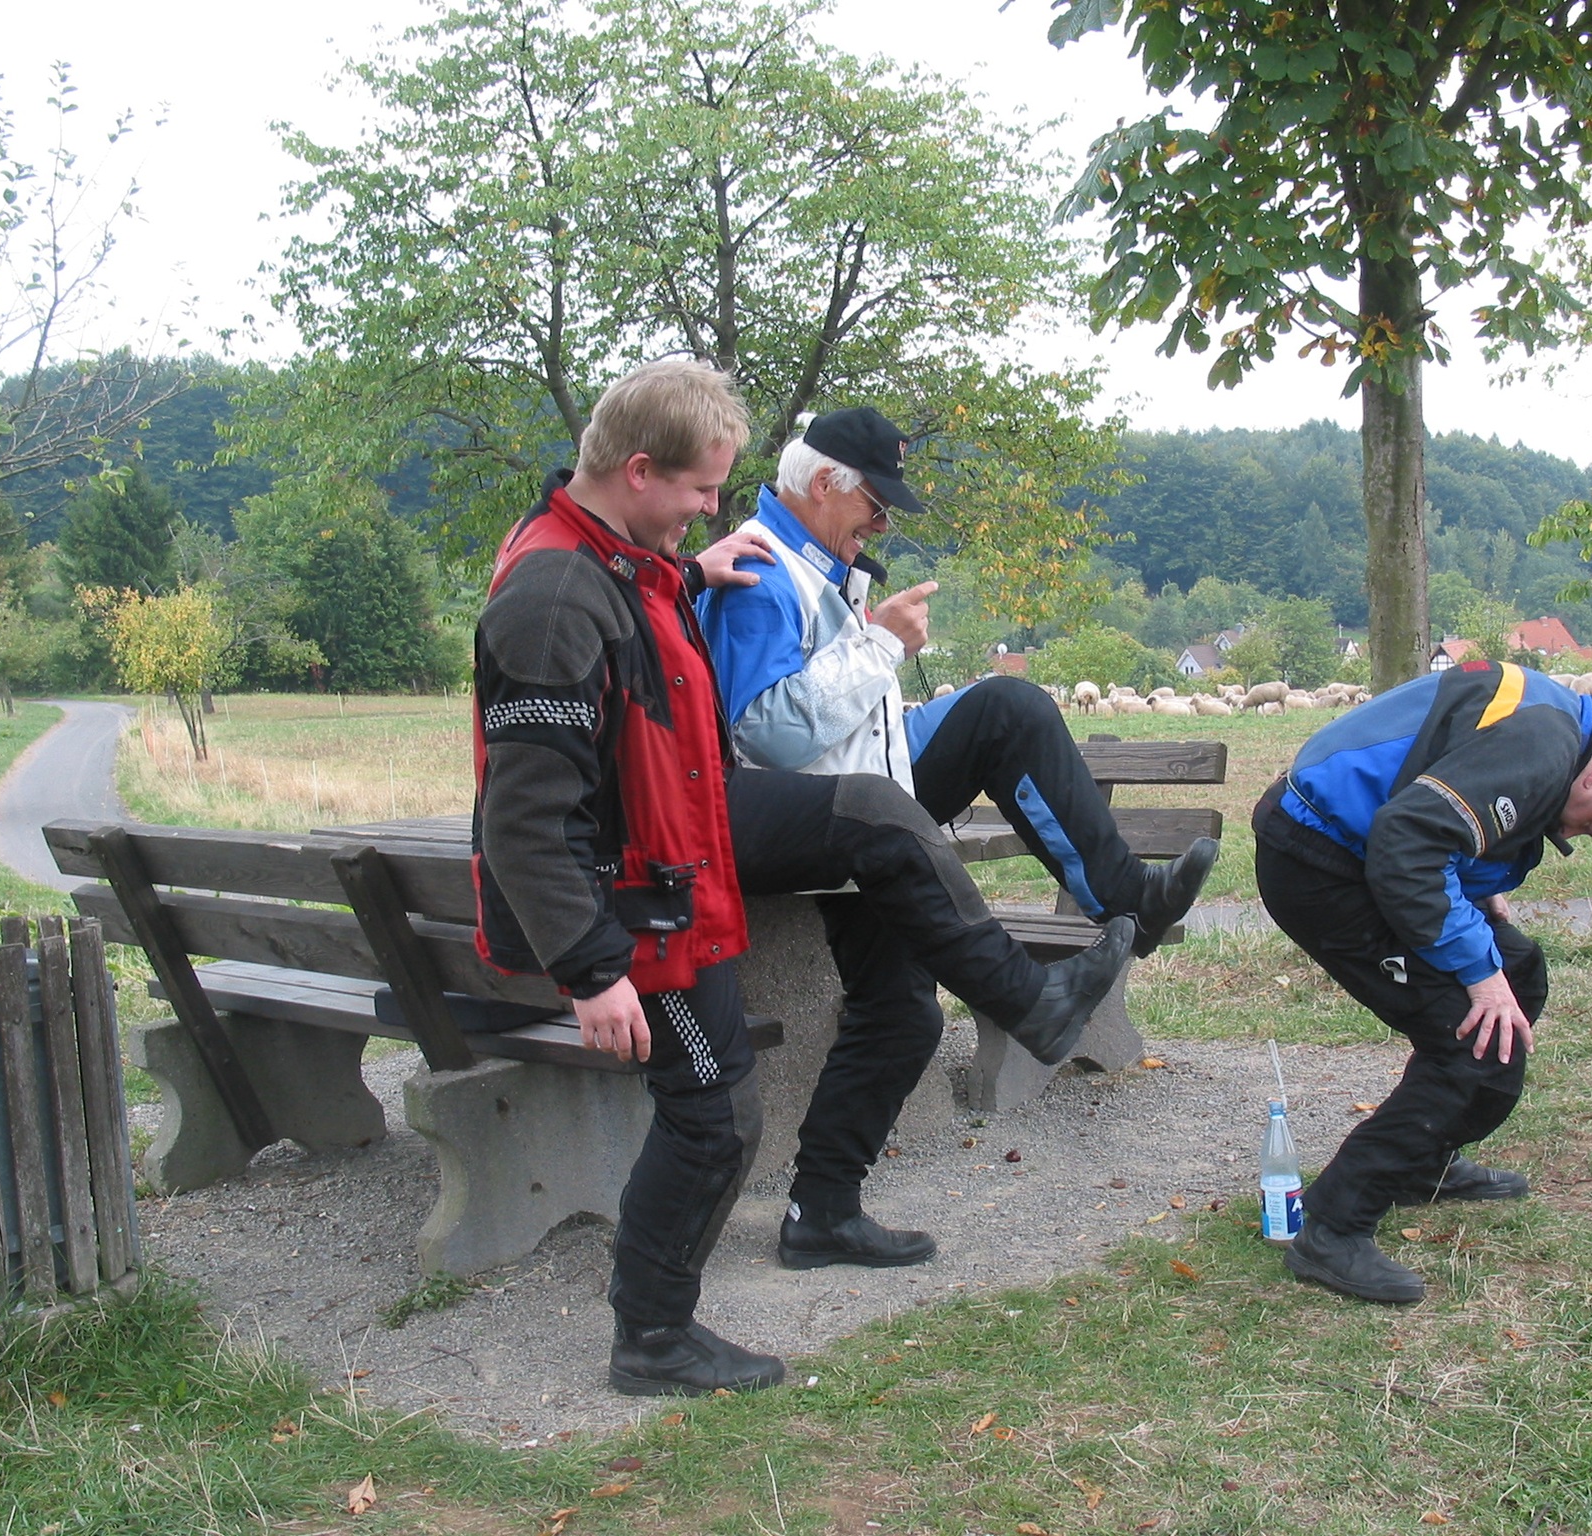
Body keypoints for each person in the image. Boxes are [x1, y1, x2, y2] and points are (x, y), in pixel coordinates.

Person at [472, 362, 1136, 1395]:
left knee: (770, 1060)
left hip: (669, 869)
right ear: (638, 470)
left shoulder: (613, 562)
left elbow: (628, 641)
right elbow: (521, 818)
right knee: (715, 1114)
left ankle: (793, 1231)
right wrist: (590, 968)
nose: (712, 512)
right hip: (630, 908)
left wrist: (692, 577)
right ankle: (651, 1337)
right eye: (702, 491)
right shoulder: (554, 595)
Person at [698, 406, 1218, 1270]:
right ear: (823, 484)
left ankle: (1131, 902)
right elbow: (769, 737)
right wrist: (879, 646)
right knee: (903, 1009)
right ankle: (828, 1203)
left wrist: (880, 662)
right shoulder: (758, 569)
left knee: (1007, 708)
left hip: (866, 795)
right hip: (812, 819)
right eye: (876, 504)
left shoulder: (823, 563)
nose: (883, 524)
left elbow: (837, 718)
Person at [1251, 660, 1592, 1304]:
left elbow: (1444, 790)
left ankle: (1424, 1162)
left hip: (1361, 852)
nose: (1570, 834)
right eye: (1588, 823)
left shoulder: (1557, 720)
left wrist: (1481, 893)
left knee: (1519, 975)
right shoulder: (1544, 746)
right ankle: (1333, 1228)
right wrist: (1478, 974)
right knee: (1465, 1040)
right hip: (1318, 862)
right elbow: (1408, 839)